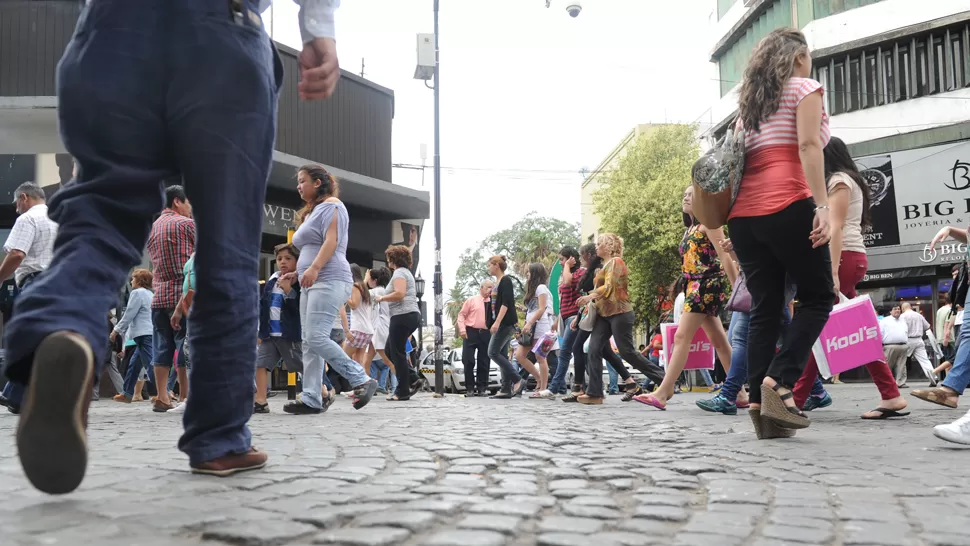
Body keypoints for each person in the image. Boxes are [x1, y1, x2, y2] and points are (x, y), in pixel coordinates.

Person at [723, 28, 835, 436]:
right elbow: (808, 147)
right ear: (800, 56)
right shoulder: (805, 88)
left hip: (743, 218)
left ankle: (758, 406)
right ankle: (779, 381)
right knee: (820, 295)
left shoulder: (748, 108)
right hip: (787, 202)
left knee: (765, 309)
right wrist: (821, 206)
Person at [791, 136, 908, 420]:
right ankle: (891, 395)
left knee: (816, 327)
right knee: (850, 329)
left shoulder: (840, 181)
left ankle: (793, 399)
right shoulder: (843, 180)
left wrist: (831, 269)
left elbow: (837, 225)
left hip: (842, 257)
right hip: (847, 257)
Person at [286, 165, 378, 414]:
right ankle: (312, 398)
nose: (298, 186)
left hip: (329, 278)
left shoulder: (333, 206)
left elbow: (332, 241)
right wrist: (301, 271)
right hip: (312, 282)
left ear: (317, 183)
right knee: (309, 341)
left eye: (303, 181)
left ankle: (361, 378)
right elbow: (312, 246)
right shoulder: (313, 211)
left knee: (316, 337)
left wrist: (314, 268)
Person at [634, 188, 734, 410]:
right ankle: (741, 393)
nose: (686, 197)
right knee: (719, 341)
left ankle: (664, 391)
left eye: (692, 194)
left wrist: (737, 286)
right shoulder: (690, 229)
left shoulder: (710, 224)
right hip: (694, 286)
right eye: (685, 194)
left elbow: (725, 256)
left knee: (681, 337)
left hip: (706, 285)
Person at [577, 234, 666, 405]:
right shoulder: (604, 265)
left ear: (608, 246)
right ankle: (595, 393)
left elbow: (611, 287)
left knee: (627, 352)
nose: (596, 247)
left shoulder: (617, 262)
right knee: (594, 348)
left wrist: (591, 295)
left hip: (620, 312)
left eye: (599, 244)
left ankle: (664, 379)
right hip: (604, 314)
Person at [0, 181, 58, 414]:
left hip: (37, 283)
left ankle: (15, 393)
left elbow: (16, 254)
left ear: (24, 197)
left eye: (16, 204)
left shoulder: (27, 219)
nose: (16, 209)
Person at [146, 186, 195, 413]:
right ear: (177, 201)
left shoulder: (153, 227)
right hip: (182, 295)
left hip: (158, 296)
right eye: (188, 204)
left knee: (161, 346)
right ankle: (184, 396)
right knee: (184, 345)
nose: (190, 209)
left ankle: (162, 395)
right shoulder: (186, 224)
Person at [255, 244, 303, 414]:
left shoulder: (299, 281)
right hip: (270, 333)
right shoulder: (272, 280)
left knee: (300, 365)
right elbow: (263, 305)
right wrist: (260, 331)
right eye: (280, 259)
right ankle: (260, 400)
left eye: (288, 259)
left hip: (289, 333)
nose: (283, 262)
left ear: (297, 261)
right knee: (260, 364)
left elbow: (299, 308)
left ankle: (323, 390)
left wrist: (289, 291)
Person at [375, 245, 422, 401]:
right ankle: (413, 378)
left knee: (397, 353)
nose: (387, 260)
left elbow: (400, 293)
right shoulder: (405, 272)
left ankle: (402, 391)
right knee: (390, 350)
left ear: (393, 259)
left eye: (389, 257)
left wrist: (382, 298)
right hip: (408, 315)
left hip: (403, 315)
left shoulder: (400, 273)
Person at [110, 269, 154, 403]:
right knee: (134, 365)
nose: (131, 281)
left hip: (143, 333)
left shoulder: (137, 293)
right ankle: (127, 393)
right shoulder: (150, 294)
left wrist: (116, 330)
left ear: (140, 281)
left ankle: (165, 392)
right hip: (147, 333)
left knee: (151, 364)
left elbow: (129, 314)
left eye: (133, 278)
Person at [486, 256, 525, 399]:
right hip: (502, 322)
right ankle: (505, 389)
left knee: (492, 352)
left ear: (497, 265)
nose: (489, 268)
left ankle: (517, 379)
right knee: (502, 355)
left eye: (490, 265)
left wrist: (497, 322)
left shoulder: (506, 281)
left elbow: (506, 303)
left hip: (505, 323)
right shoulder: (497, 282)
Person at [549, 246, 584, 395]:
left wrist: (568, 266)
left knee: (564, 353)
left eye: (562, 259)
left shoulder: (579, 272)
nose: (561, 263)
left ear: (571, 259)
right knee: (578, 352)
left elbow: (569, 283)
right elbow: (564, 298)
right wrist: (558, 319)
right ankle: (584, 386)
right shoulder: (566, 274)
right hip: (565, 318)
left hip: (574, 317)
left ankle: (553, 388)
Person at [516, 263, 554, 398]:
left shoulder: (541, 288)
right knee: (519, 355)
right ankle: (538, 378)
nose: (527, 275)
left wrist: (530, 323)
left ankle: (543, 389)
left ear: (535, 274)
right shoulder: (535, 289)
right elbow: (535, 308)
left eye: (529, 272)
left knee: (540, 357)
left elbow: (542, 308)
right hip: (532, 326)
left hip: (541, 326)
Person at [457, 281, 494, 397]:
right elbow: (461, 315)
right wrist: (462, 329)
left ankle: (482, 387)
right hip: (471, 331)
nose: (490, 290)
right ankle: (469, 388)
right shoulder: (472, 300)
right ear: (481, 288)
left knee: (484, 361)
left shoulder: (493, 302)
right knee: (468, 360)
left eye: (492, 288)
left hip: (485, 332)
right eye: (488, 287)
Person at [898, 303, 937, 385]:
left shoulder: (902, 316)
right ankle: (933, 377)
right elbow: (927, 326)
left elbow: (900, 329)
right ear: (910, 307)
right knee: (924, 360)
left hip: (908, 340)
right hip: (919, 339)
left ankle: (901, 381)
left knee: (902, 360)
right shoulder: (919, 315)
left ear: (902, 308)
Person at [879, 306, 910, 388]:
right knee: (888, 365)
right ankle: (886, 382)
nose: (897, 311)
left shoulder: (903, 320)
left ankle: (900, 382)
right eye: (895, 309)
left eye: (898, 309)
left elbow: (906, 331)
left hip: (903, 346)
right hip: (890, 346)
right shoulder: (884, 321)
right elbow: (880, 333)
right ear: (890, 311)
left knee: (902, 366)